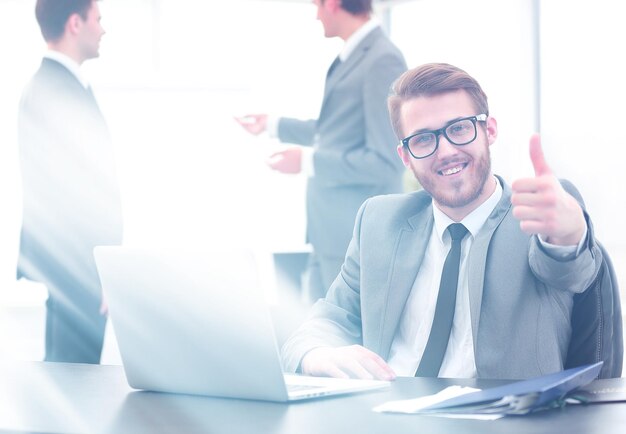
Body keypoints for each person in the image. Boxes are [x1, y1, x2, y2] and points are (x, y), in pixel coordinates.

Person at [281, 62, 604, 380]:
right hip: (389, 411)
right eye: (423, 139)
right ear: (405, 156)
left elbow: (573, 275)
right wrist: (316, 353)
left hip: (497, 419)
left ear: (488, 130)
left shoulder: (537, 215)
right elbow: (330, 318)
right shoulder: (379, 221)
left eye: (459, 128)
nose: (445, 150)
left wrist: (569, 236)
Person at [236, 0, 406, 301]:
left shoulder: (382, 60)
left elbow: (385, 160)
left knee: (345, 341)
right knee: (320, 336)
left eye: (316, 5)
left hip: (352, 238)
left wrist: (306, 161)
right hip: (328, 234)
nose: (315, 15)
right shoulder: (354, 55)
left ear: (333, 3)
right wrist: (272, 125)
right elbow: (335, 130)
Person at [17, 0, 123, 363]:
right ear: (75, 24)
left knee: (70, 374)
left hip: (72, 266)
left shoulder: (55, 86)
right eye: (99, 18)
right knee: (76, 378)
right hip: (78, 266)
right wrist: (103, 270)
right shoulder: (57, 91)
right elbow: (78, 193)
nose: (104, 29)